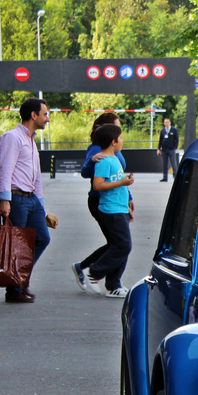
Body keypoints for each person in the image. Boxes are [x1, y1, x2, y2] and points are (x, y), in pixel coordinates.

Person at [0, 97, 58, 303]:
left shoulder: (30, 140)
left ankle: (20, 279)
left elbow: (36, 177)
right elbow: (5, 169)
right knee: (16, 245)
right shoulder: (12, 138)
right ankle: (14, 290)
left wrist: (43, 208)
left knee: (42, 238)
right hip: (16, 199)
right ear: (34, 115)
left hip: (32, 200)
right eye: (45, 114)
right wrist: (4, 199)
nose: (47, 118)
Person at [72, 113, 134, 293]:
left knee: (118, 244)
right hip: (105, 202)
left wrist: (128, 197)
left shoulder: (114, 154)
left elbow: (119, 176)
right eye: (119, 130)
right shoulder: (98, 151)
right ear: (111, 137)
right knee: (121, 244)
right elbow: (91, 177)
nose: (122, 138)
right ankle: (99, 275)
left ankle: (99, 275)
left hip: (117, 201)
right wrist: (92, 161)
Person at [157, 117, 179, 182]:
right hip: (164, 149)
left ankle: (175, 177)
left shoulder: (174, 130)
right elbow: (160, 140)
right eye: (165, 122)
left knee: (173, 163)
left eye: (167, 122)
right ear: (164, 123)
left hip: (171, 149)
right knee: (164, 164)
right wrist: (159, 148)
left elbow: (177, 139)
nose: (166, 123)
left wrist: (175, 147)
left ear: (170, 123)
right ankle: (165, 177)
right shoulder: (163, 131)